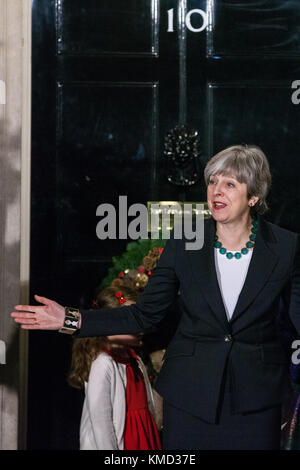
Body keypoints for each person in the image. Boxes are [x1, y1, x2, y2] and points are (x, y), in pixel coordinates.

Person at [12, 144, 300, 450]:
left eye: (229, 184)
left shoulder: (285, 247)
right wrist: (70, 319)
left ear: (253, 196)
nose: (217, 191)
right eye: (213, 181)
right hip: (189, 400)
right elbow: (143, 314)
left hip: (256, 401)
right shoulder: (184, 241)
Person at [68, 285, 162, 450]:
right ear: (109, 322)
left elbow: (149, 408)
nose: (140, 327)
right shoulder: (103, 365)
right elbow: (101, 424)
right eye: (132, 320)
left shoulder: (135, 361)